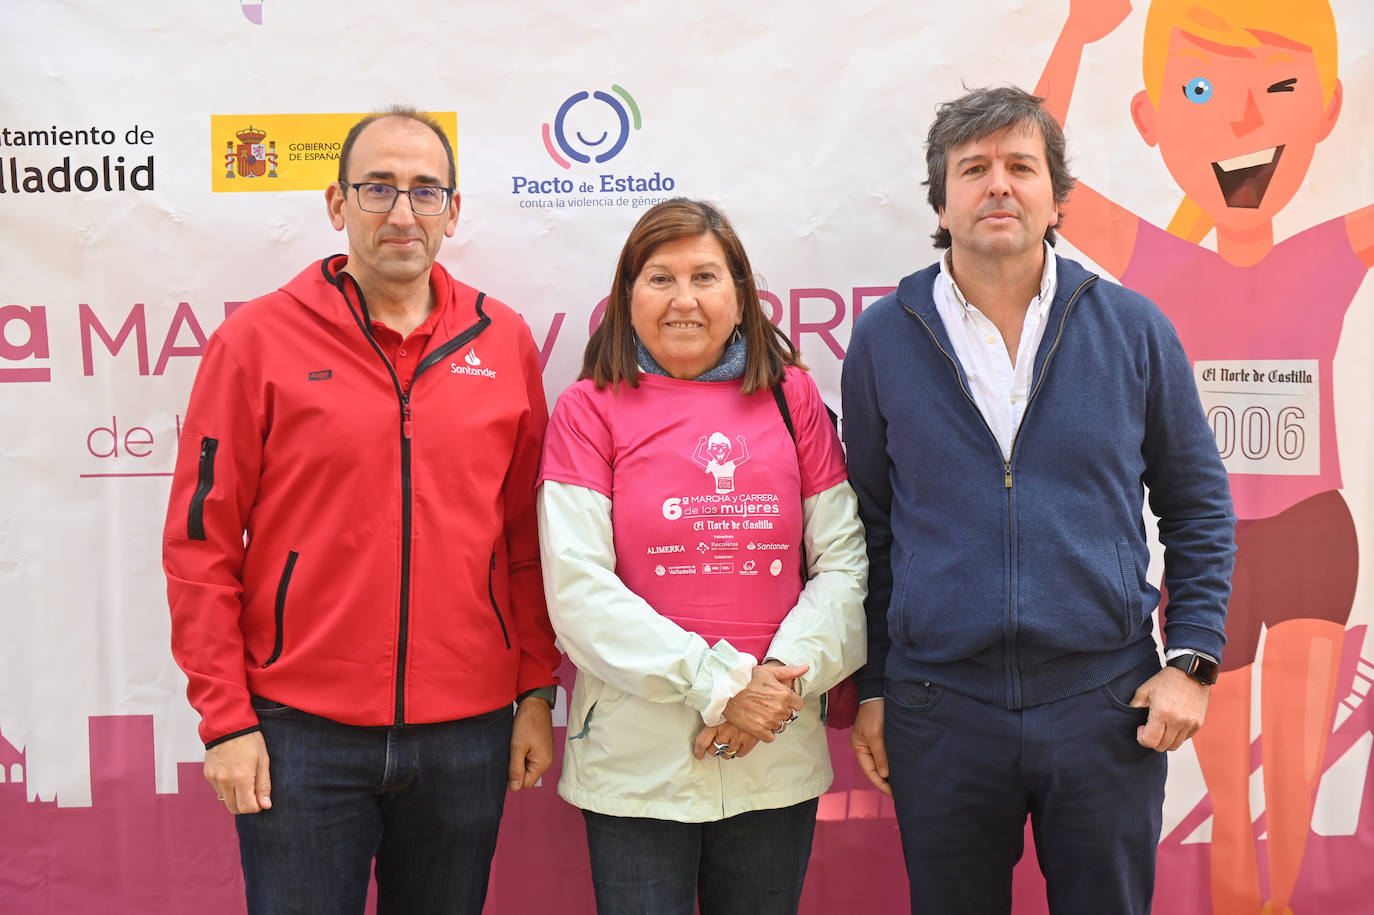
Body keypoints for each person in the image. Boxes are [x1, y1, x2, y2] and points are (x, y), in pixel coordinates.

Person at [841, 86, 1236, 914]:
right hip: (939, 705)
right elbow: (870, 529)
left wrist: (1193, 660)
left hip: (1103, 702)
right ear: (940, 200)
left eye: (1021, 167)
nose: (998, 186)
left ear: (1057, 197)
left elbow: (1196, 503)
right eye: (973, 168)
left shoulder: (1133, 327)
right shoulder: (883, 337)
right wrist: (875, 685)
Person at [162, 106, 560, 915]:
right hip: (299, 733)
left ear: (454, 209)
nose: (401, 213)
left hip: (468, 728)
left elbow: (526, 538)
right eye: (378, 188)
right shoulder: (257, 341)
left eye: (423, 190)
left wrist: (534, 693)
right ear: (337, 204)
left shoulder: (505, 339)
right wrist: (226, 721)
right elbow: (200, 545)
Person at [1036, 2, 1371, 910]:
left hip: (1313, 534)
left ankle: (1283, 902)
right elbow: (1042, 177)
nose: (1240, 123)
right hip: (1209, 551)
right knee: (1227, 784)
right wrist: (1075, 35)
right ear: (1154, 122)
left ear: (1323, 112)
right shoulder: (1160, 265)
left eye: (1279, 92)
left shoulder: (1328, 250)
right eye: (1199, 91)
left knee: (1294, 773)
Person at [537, 198, 867, 915]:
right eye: (660, 278)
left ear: (741, 295)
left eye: (706, 277)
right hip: (638, 763)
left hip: (773, 749)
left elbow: (844, 563)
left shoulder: (793, 398)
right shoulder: (588, 409)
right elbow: (577, 589)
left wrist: (773, 687)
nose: (684, 299)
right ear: (627, 296)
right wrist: (722, 687)